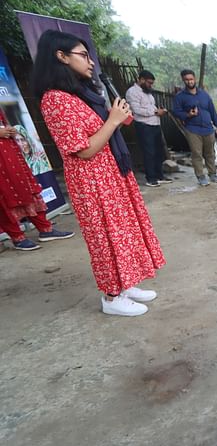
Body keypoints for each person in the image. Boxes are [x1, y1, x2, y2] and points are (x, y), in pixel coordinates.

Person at [35, 29, 165, 316]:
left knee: (123, 232)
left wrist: (116, 118)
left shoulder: (80, 94)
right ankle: (111, 296)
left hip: (110, 174)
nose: (91, 62)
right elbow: (82, 149)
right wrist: (113, 121)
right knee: (105, 238)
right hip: (91, 181)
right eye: (83, 55)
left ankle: (126, 283)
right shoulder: (55, 100)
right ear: (61, 56)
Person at [0, 109, 74, 250]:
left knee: (26, 188)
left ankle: (45, 230)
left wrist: (8, 130)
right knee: (4, 195)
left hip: (9, 150)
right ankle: (17, 237)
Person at [172, 69, 217, 186]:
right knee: (197, 153)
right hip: (192, 129)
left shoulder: (204, 94)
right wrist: (188, 115)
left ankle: (213, 174)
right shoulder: (180, 97)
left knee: (210, 153)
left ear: (195, 79)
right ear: (183, 81)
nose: (189, 82)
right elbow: (176, 112)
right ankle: (201, 176)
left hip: (208, 128)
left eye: (191, 79)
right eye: (187, 80)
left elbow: (212, 110)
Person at [125, 70, 170, 187]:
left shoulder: (148, 93)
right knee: (149, 152)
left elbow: (150, 107)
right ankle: (151, 178)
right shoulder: (132, 92)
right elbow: (136, 110)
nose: (151, 85)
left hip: (155, 124)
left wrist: (159, 110)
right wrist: (155, 111)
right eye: (149, 83)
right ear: (141, 80)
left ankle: (159, 175)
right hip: (144, 125)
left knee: (158, 152)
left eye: (151, 83)